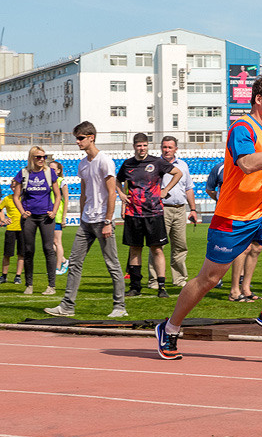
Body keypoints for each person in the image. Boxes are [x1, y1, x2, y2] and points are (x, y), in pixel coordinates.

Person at [155, 74, 262, 360]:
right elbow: (247, 164)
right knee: (209, 280)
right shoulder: (242, 127)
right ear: (258, 100)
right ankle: (170, 327)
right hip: (233, 216)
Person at [43, 121, 127, 318]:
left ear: (91, 138)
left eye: (81, 138)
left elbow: (112, 192)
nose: (78, 142)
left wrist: (108, 221)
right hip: (87, 221)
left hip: (102, 221)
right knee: (74, 263)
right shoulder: (82, 164)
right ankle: (67, 306)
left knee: (112, 264)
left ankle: (120, 306)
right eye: (77, 138)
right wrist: (82, 217)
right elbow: (83, 193)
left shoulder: (105, 161)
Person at [117, 132, 181, 298]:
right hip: (133, 213)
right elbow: (117, 180)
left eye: (144, 145)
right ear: (134, 147)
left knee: (157, 250)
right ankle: (135, 287)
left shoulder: (157, 162)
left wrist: (165, 190)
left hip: (154, 212)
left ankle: (161, 287)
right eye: (139, 145)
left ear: (147, 146)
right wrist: (121, 194)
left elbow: (178, 173)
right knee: (135, 250)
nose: (142, 148)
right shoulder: (127, 164)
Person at [147, 136, 198, 294]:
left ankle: (179, 279)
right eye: (164, 147)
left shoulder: (183, 166)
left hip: (180, 209)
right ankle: (154, 280)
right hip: (161, 209)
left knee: (180, 245)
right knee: (157, 246)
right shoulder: (155, 165)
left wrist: (193, 209)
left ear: (176, 149)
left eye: (170, 147)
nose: (167, 150)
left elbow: (188, 188)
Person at [204, 160, 257, 301]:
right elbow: (209, 189)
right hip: (229, 215)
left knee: (255, 249)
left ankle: (245, 289)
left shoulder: (253, 164)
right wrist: (223, 200)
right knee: (239, 249)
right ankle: (232, 289)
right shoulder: (219, 167)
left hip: (251, 212)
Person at [13, 146, 59, 296]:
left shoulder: (49, 172)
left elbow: (58, 195)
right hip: (29, 217)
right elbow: (16, 196)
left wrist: (54, 211)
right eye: (38, 157)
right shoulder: (24, 173)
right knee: (28, 250)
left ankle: (51, 285)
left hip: (46, 217)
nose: (41, 159)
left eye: (44, 157)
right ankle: (29, 284)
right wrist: (22, 212)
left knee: (48, 249)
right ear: (32, 157)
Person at [0, 180, 25, 285]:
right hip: (11, 229)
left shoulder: (25, 199)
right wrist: (3, 219)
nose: (15, 188)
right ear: (11, 187)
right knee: (7, 254)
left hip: (23, 229)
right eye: (13, 186)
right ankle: (4, 276)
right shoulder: (7, 199)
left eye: (17, 186)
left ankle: (18, 276)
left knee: (21, 254)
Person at [51, 160, 70, 276]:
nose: (51, 171)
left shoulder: (61, 182)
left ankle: (58, 267)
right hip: (48, 214)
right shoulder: (47, 182)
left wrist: (63, 218)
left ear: (58, 171)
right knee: (49, 243)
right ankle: (64, 260)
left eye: (53, 169)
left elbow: (66, 200)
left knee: (57, 242)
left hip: (57, 215)